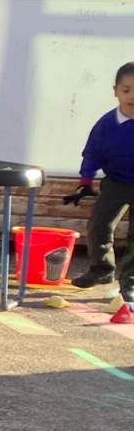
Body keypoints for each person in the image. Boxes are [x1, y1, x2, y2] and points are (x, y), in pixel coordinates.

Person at [69, 61, 134, 303]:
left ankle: (130, 283)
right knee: (98, 225)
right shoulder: (106, 124)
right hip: (116, 182)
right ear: (115, 91)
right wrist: (86, 179)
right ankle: (101, 270)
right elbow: (92, 152)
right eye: (126, 90)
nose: (132, 96)